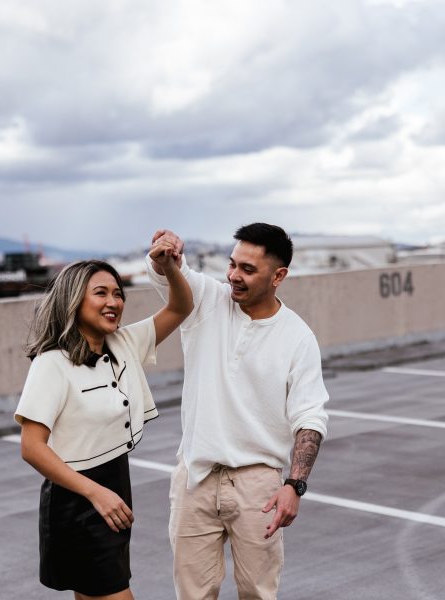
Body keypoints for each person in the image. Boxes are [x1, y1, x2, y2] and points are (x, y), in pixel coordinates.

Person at [145, 223, 329, 600]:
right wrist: (165, 257)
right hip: (195, 477)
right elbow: (170, 279)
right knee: (192, 594)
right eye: (232, 264)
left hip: (257, 484)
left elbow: (310, 417)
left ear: (279, 276)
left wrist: (294, 486)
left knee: (258, 594)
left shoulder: (297, 337)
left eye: (248, 269)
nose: (233, 276)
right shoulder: (208, 302)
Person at [15, 240, 192, 600]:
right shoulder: (52, 363)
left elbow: (181, 306)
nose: (113, 302)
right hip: (77, 499)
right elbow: (32, 448)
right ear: (74, 300)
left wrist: (169, 266)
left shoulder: (125, 342)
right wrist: (96, 494)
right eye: (100, 293)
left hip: (114, 483)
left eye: (118, 293)